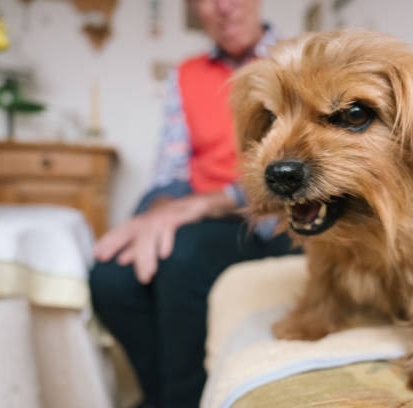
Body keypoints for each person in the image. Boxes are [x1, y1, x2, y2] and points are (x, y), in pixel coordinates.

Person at [89, 1, 294, 407]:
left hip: (269, 218)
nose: (223, 6)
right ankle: (162, 396)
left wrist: (204, 205)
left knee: (183, 258)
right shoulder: (186, 74)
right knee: (109, 277)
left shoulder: (295, 60)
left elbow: (294, 169)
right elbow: (171, 168)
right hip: (199, 212)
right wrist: (160, 211)